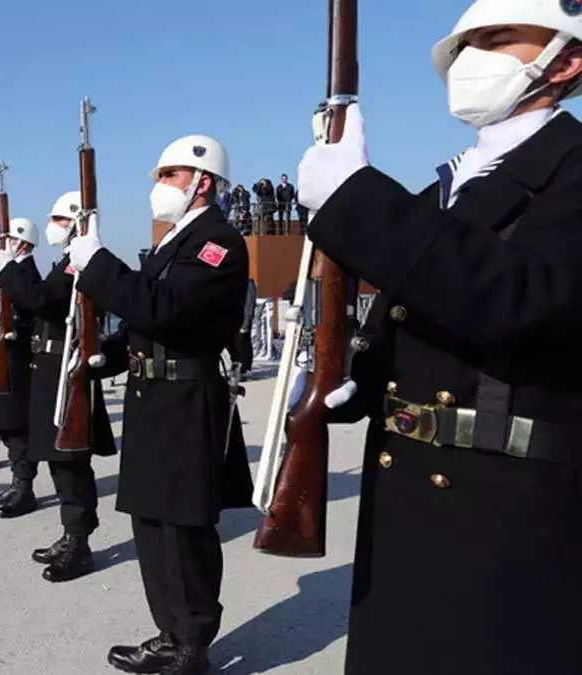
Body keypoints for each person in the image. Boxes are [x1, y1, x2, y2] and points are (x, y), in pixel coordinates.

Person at [295, 3, 582, 674]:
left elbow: (519, 296)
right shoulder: (441, 193)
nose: (471, 58)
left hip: (505, 516)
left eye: (497, 38)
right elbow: (417, 313)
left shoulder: (571, 176)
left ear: (567, 60)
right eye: (467, 44)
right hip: (405, 502)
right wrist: (358, 377)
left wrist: (358, 198)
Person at [66, 136, 253, 674]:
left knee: (183, 530)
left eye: (168, 176)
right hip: (155, 398)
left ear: (203, 182)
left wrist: (98, 263)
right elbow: (144, 322)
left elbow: (166, 309)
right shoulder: (177, 241)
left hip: (188, 399)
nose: (158, 186)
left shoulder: (218, 242)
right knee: (151, 524)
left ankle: (192, 645)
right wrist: (110, 355)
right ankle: (169, 632)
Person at [0, 194, 119, 581]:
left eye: (57, 218)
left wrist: (9, 271)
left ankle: (79, 544)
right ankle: (70, 534)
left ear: (75, 221)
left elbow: (43, 301)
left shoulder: (77, 266)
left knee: (70, 461)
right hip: (49, 365)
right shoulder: (66, 262)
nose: (51, 224)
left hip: (65, 368)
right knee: (57, 460)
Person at [0, 218, 42, 517]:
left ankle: (24, 487)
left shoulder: (26, 272)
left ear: (23, 242)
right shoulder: (12, 270)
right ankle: (17, 481)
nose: (5, 246)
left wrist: (18, 329)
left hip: (20, 357)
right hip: (6, 354)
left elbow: (35, 307)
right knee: (9, 425)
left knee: (19, 425)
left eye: (9, 240)